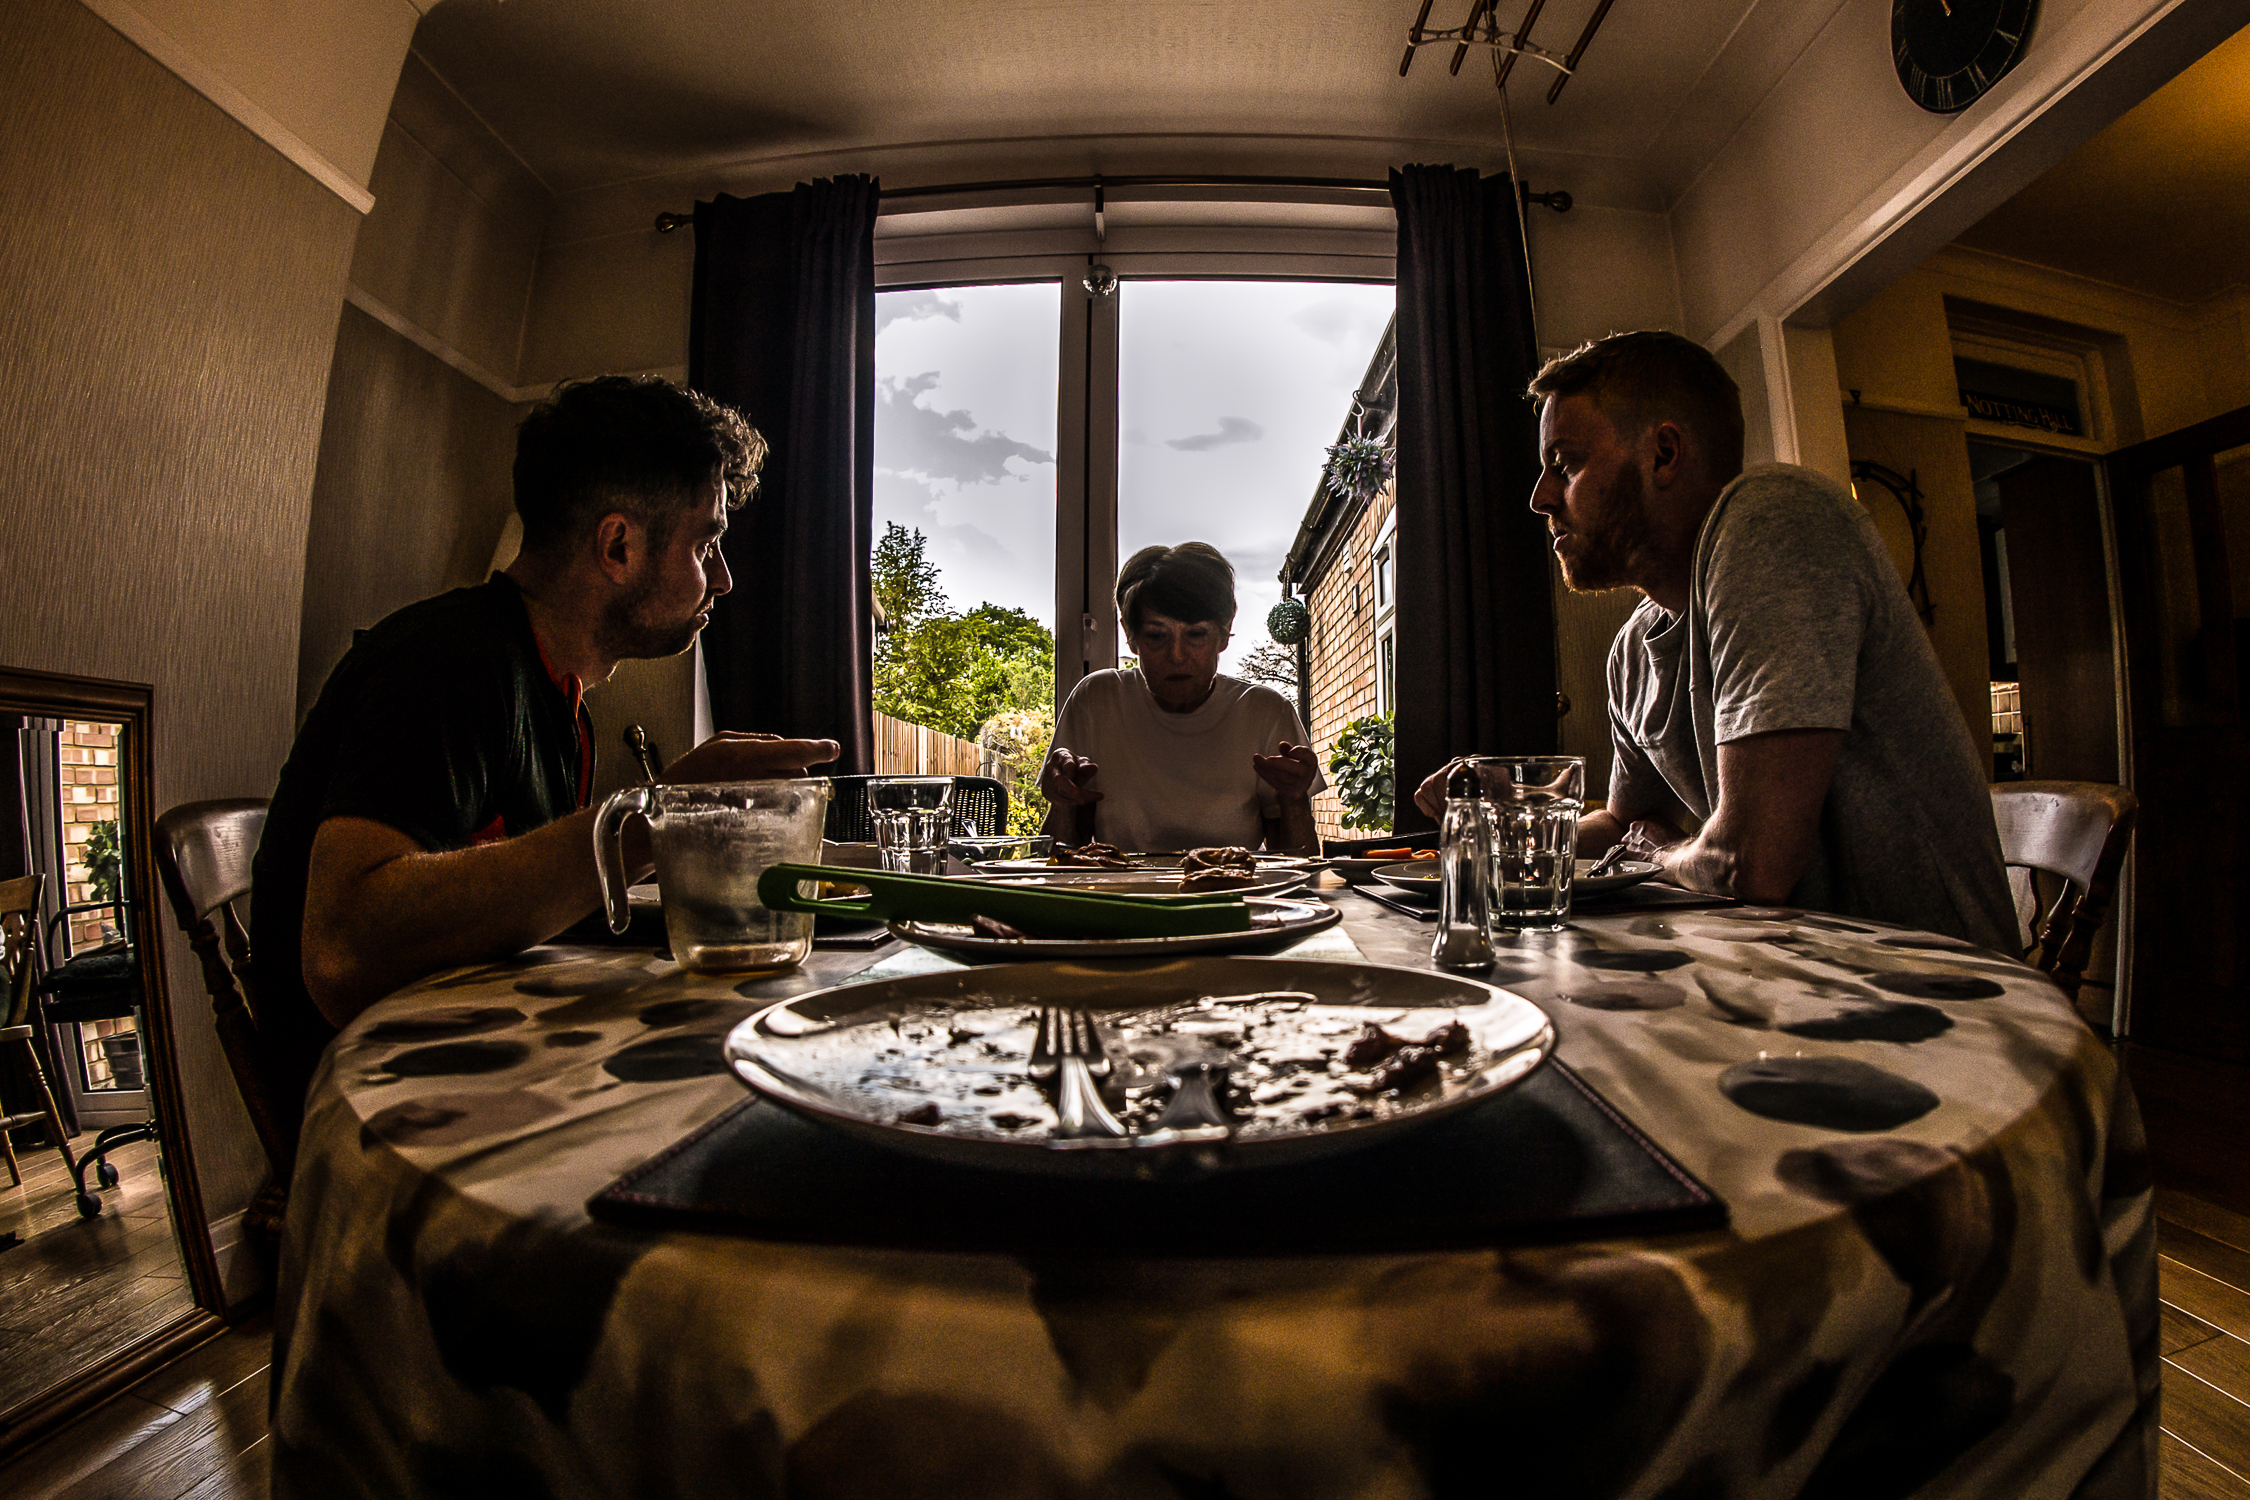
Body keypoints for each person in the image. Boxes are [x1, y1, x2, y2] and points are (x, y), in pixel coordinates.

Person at [254, 375, 837, 1119]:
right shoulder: (444, 659)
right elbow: (344, 951)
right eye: (707, 543)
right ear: (619, 545)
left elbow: (519, 912)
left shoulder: (557, 698)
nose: (722, 579)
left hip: (480, 1062)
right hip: (389, 1115)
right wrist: (664, 819)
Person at [1415, 330, 2017, 949]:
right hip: (1791, 970)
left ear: (1664, 454)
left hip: (1937, 980)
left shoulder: (1771, 518)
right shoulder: (1633, 651)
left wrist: (1661, 855)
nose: (1540, 499)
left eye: (1564, 465)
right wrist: (1508, 811)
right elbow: (1623, 825)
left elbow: (1752, 862)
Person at [1040, 543, 1324, 854]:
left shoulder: (1264, 712)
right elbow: (1062, 855)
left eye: (1196, 634)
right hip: (1122, 885)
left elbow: (1299, 865)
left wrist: (1294, 799)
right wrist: (1062, 800)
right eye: (1156, 635)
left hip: (1229, 884)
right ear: (1130, 635)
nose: (1176, 656)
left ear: (1224, 632)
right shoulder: (1097, 700)